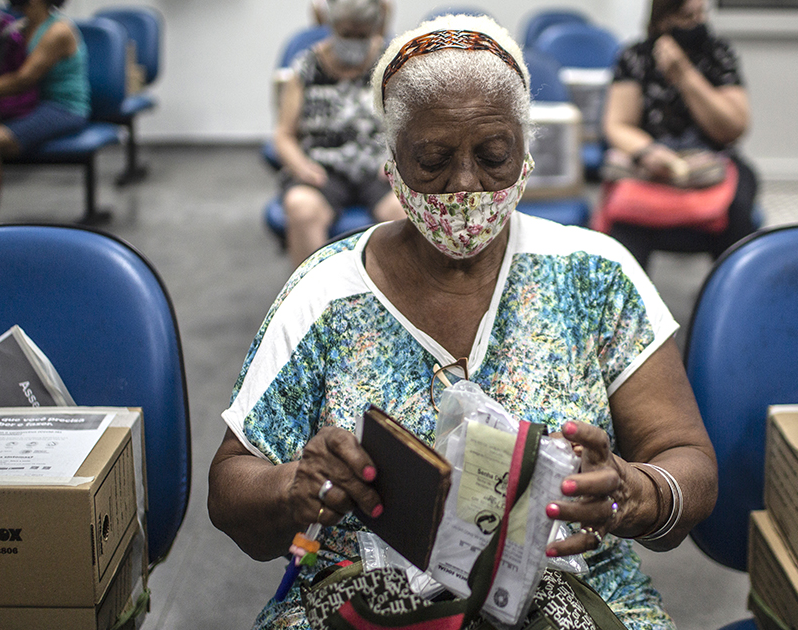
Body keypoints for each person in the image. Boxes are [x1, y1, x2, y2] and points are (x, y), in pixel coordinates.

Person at [209, 13, 717, 630]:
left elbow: (686, 458)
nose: (466, 185)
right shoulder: (327, 293)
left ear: (526, 154)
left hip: (570, 595)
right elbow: (231, 486)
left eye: (495, 156)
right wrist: (293, 486)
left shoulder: (597, 277)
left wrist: (636, 493)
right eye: (433, 160)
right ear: (390, 163)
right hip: (367, 596)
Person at [601, 0, 758, 267]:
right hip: (652, 161)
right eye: (687, 17)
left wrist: (685, 75)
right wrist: (646, 152)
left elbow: (733, 127)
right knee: (624, 225)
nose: (697, 24)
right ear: (663, 19)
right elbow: (617, 124)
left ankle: (729, 294)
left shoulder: (718, 54)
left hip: (712, 160)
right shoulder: (635, 57)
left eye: (701, 15)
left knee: (739, 213)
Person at [275, 0, 405, 266]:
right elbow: (283, 134)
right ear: (332, 27)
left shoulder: (389, 63)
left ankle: (394, 297)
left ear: (374, 29)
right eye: (347, 34)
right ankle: (311, 299)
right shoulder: (306, 66)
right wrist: (301, 167)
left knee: (406, 211)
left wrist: (398, 159)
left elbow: (410, 125)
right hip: (322, 169)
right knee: (301, 207)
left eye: (362, 35)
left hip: (377, 167)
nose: (354, 41)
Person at [0, 0, 89, 224]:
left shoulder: (59, 30)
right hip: (28, 103)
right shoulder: (17, 28)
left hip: (62, 107)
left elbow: (24, 79)